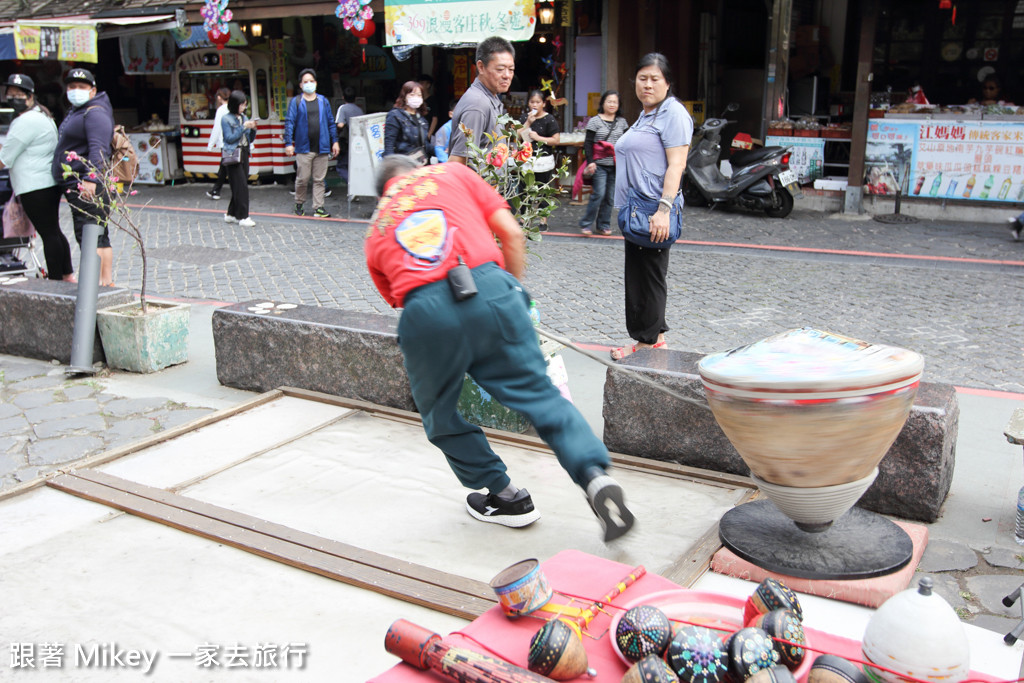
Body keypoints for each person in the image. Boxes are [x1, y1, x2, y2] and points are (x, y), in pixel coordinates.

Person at [365, 155, 635, 542]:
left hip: (427, 312)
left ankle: (504, 495)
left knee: (440, 413)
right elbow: (511, 234)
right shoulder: (452, 172)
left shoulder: (378, 226)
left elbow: (398, 297)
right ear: (418, 167)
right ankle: (593, 476)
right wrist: (513, 296)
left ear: (383, 193)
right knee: (540, 395)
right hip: (494, 288)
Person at [610, 53, 692, 361]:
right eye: (642, 78)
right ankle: (652, 339)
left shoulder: (674, 114)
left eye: (655, 79)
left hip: (653, 208)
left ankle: (647, 346)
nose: (647, 84)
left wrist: (664, 210)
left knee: (650, 275)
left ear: (667, 83)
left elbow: (677, 164)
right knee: (641, 275)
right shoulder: (648, 114)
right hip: (637, 207)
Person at [0, 74, 74, 281]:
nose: (13, 98)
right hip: (46, 183)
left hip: (34, 186)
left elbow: (4, 159)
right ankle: (67, 275)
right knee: (53, 231)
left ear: (30, 96)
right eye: (10, 94)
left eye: (19, 95)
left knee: (48, 234)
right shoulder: (42, 115)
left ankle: (56, 281)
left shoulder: (26, 121)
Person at [51, 68, 116, 286]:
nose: (75, 91)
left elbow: (99, 149)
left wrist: (91, 179)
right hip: (78, 182)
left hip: (86, 184)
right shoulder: (79, 110)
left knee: (90, 233)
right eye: (71, 87)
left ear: (93, 90)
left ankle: (97, 284)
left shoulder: (94, 112)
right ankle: (103, 283)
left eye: (81, 87)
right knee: (97, 233)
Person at [448, 36, 516, 165]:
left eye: (511, 69)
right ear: (481, 67)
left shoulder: (490, 96)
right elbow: (457, 162)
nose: (507, 75)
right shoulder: (477, 104)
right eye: (500, 69)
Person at [284, 68, 339, 218]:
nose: (309, 84)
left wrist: (335, 141)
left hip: (322, 147)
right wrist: (288, 143)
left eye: (311, 81)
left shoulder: (323, 101)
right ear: (301, 85)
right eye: (305, 82)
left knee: (319, 179)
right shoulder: (296, 102)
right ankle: (299, 203)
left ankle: (318, 207)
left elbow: (330, 123)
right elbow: (290, 122)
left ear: (316, 83)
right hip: (304, 147)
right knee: (302, 179)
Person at [579, 90, 629, 236]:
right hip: (599, 164)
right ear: (603, 103)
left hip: (615, 165)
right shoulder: (595, 121)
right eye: (609, 101)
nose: (612, 104)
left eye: (615, 102)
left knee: (610, 197)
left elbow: (626, 142)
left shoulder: (622, 122)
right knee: (599, 194)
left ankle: (603, 225)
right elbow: (588, 143)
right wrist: (590, 162)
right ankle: (586, 224)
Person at [221, 90, 257, 228]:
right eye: (242, 105)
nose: (244, 108)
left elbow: (250, 139)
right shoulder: (226, 119)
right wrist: (243, 127)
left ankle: (231, 214)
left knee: (239, 185)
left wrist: (253, 129)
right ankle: (243, 216)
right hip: (233, 153)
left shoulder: (244, 117)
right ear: (235, 104)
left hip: (244, 152)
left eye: (245, 105)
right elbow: (229, 138)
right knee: (241, 186)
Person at [519, 90, 560, 189]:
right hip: (526, 160)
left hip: (543, 162)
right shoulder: (524, 117)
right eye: (532, 102)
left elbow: (556, 140)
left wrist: (538, 138)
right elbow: (517, 136)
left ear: (544, 104)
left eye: (538, 102)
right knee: (524, 191)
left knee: (542, 191)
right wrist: (528, 122)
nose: (534, 105)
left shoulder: (549, 119)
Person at [384, 81, 430, 162]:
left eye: (419, 95)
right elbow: (389, 144)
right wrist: (391, 165)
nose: (416, 98)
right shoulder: (395, 115)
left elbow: (425, 144)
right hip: (402, 163)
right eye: (412, 95)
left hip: (420, 163)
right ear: (404, 97)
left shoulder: (421, 118)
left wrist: (440, 150)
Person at [205, 87, 231, 201]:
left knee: (225, 167)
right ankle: (216, 190)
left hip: (224, 142)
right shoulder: (233, 108)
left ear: (219, 98)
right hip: (233, 141)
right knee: (225, 167)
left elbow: (217, 128)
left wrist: (210, 145)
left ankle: (216, 190)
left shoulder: (220, 110)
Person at [334, 87, 364, 183]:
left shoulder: (342, 108)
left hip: (346, 142)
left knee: (341, 166)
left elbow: (340, 124)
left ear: (343, 97)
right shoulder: (360, 110)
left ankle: (353, 185)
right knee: (354, 165)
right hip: (359, 141)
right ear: (355, 98)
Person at [416, 73, 440, 139]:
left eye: (422, 83)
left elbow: (435, 118)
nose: (420, 85)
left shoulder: (433, 100)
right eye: (419, 83)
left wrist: (429, 134)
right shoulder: (416, 100)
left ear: (428, 85)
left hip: (428, 134)